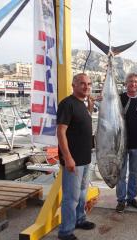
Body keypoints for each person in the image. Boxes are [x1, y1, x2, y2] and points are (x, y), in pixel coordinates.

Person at [57, 73, 96, 240]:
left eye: (88, 83)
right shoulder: (67, 104)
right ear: (73, 85)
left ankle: (80, 219)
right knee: (71, 198)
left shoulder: (82, 104)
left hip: (85, 158)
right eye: (82, 83)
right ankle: (65, 231)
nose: (86, 86)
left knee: (81, 194)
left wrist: (90, 107)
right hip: (74, 160)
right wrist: (68, 158)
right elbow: (60, 132)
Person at [116, 73, 137, 213]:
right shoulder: (119, 98)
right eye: (131, 81)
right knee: (121, 174)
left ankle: (131, 197)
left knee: (134, 173)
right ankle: (121, 200)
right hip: (121, 144)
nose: (133, 84)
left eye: (136, 82)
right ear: (126, 83)